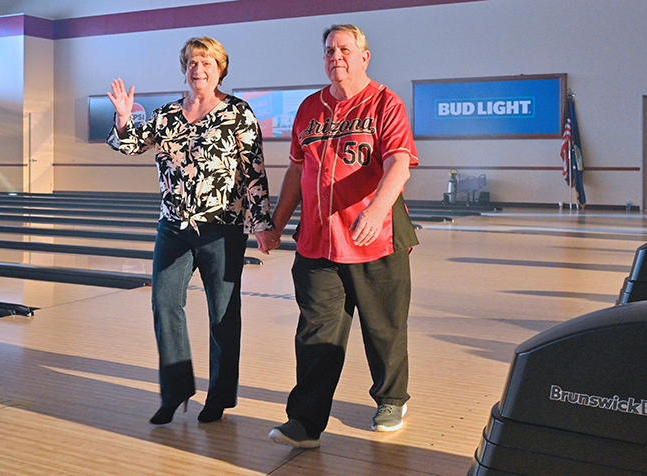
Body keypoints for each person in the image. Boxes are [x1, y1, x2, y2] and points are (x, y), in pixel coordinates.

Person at [106, 36, 277, 425]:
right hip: (174, 227)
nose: (198, 69)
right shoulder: (167, 115)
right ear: (184, 69)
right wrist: (122, 116)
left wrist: (262, 224)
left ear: (220, 68)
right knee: (164, 304)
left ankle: (219, 397)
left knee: (223, 314)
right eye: (192, 63)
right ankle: (176, 390)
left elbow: (253, 171)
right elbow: (130, 145)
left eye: (206, 62)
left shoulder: (238, 113)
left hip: (223, 229)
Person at [266, 24, 419, 448]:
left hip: (377, 236)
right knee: (316, 331)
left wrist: (374, 209)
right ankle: (306, 422)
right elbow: (297, 171)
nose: (337, 56)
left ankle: (391, 399)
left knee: (383, 328)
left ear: (364, 56)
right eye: (330, 50)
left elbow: (399, 164)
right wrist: (277, 223)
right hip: (318, 240)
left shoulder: (385, 102)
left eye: (345, 49)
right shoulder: (308, 109)